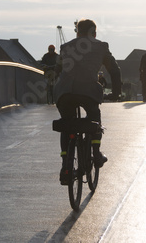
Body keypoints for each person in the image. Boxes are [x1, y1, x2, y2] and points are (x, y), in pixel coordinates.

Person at [54, 19, 121, 185]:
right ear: (94, 32)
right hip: (88, 92)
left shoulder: (65, 47)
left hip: (64, 93)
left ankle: (65, 166)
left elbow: (57, 72)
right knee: (94, 116)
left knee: (66, 124)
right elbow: (114, 70)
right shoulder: (101, 46)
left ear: (77, 32)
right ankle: (96, 153)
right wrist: (116, 93)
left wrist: (57, 91)